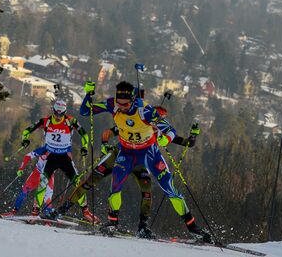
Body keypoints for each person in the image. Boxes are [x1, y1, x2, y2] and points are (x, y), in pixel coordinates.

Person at [79, 80, 211, 242]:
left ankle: (194, 229)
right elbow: (86, 112)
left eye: (126, 104)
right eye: (119, 103)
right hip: (126, 152)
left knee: (170, 190)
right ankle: (112, 223)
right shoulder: (112, 104)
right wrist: (88, 94)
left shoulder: (145, 111)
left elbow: (169, 129)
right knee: (115, 186)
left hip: (149, 153)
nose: (122, 107)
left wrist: (166, 140)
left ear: (133, 100)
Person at [60, 112, 199, 238]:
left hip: (140, 164)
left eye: (162, 118)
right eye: (157, 116)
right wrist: (104, 144)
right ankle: (63, 209)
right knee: (91, 181)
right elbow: (107, 132)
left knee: (147, 192)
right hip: (119, 156)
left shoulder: (161, 130)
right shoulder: (135, 121)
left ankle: (142, 227)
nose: (159, 120)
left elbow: (187, 143)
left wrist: (193, 136)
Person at [20, 99, 96, 222]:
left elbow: (85, 135)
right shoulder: (45, 121)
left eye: (61, 114)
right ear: (53, 111)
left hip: (65, 157)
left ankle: (86, 211)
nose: (58, 116)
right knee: (42, 183)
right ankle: (35, 212)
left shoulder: (71, 121)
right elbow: (27, 130)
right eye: (56, 113)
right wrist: (25, 139)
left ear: (64, 112)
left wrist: (84, 147)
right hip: (51, 157)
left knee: (77, 183)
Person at [0, 145, 55, 217]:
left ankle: (48, 219)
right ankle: (13, 212)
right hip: (36, 174)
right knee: (24, 191)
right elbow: (27, 156)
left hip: (48, 176)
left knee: (47, 199)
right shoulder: (44, 149)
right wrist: (21, 168)